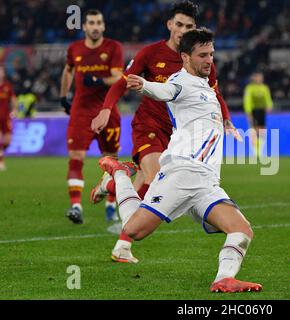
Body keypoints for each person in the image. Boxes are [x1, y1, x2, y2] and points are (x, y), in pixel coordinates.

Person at [98, 28, 262, 293]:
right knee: (134, 230)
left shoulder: (207, 87)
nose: (209, 60)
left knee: (242, 230)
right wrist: (145, 85)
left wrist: (228, 120)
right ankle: (119, 173)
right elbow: (166, 90)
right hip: (182, 173)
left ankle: (223, 279)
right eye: (202, 55)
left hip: (207, 182)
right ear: (185, 57)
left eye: (211, 54)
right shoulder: (181, 80)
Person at [90, 1, 240, 263]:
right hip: (148, 125)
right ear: (170, 25)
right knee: (153, 173)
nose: (183, 30)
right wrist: (106, 109)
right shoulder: (151, 53)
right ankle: (124, 243)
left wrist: (226, 119)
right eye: (179, 25)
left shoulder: (201, 59)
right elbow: (126, 82)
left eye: (189, 26)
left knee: (150, 185)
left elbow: (215, 94)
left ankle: (115, 183)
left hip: (179, 134)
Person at [59, 9, 124, 224]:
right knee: (75, 158)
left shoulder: (113, 47)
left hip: (107, 110)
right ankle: (76, 206)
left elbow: (117, 77)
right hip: (81, 110)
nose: (95, 26)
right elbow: (68, 70)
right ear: (84, 26)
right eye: (91, 23)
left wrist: (97, 80)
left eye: (99, 22)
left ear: (103, 26)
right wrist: (63, 96)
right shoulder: (74, 49)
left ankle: (110, 206)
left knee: (111, 161)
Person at [243, 71, 273, 157]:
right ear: (254, 78)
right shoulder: (250, 88)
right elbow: (247, 100)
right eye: (257, 77)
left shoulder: (264, 88)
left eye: (260, 77)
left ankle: (260, 149)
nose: (259, 79)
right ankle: (255, 150)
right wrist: (248, 112)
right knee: (254, 130)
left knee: (262, 130)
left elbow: (268, 98)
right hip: (253, 111)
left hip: (261, 111)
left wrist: (269, 106)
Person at [0, 65, 18, 171]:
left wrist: (14, 110)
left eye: (1, 71)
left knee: (7, 141)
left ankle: (1, 154)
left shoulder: (7, 86)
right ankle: (1, 161)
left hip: (6, 117)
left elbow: (13, 99)